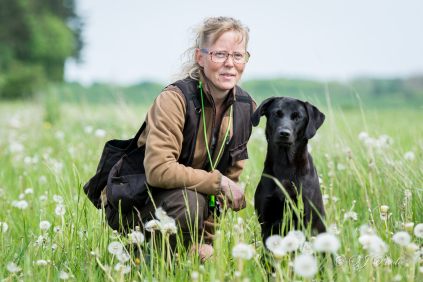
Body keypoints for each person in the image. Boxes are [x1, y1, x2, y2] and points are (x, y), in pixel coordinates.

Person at [103, 16, 256, 263]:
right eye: (219, 54)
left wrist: (206, 240)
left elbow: (227, 186)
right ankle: (137, 261)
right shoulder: (175, 99)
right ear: (200, 57)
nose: (230, 64)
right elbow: (159, 171)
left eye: (238, 55)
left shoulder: (246, 109)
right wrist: (219, 183)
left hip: (188, 206)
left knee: (192, 202)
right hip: (136, 200)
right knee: (189, 201)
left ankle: (172, 260)